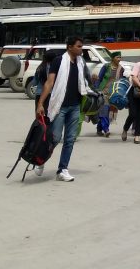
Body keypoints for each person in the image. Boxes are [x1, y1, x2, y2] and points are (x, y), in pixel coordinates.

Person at [36, 36, 91, 182]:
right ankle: (40, 160)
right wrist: (40, 103)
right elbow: (49, 83)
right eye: (79, 46)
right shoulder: (59, 61)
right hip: (60, 106)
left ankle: (62, 170)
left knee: (70, 139)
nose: (81, 49)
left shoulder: (81, 62)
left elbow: (84, 81)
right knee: (55, 138)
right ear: (70, 47)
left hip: (75, 106)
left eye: (81, 46)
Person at [93, 51, 123, 137]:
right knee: (104, 110)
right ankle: (106, 129)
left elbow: (121, 81)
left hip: (114, 93)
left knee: (109, 112)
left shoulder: (121, 69)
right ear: (113, 58)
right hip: (103, 92)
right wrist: (96, 89)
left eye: (120, 57)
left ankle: (99, 129)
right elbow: (99, 78)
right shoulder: (106, 66)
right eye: (117, 57)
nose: (119, 59)